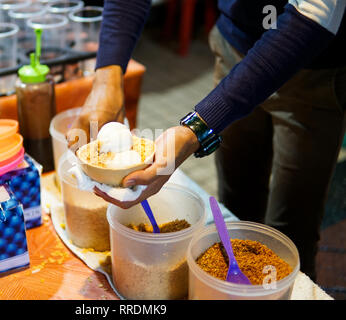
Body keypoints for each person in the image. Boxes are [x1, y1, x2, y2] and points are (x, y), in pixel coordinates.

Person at [67, 0, 346, 281]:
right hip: (236, 46)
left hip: (312, 65)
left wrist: (196, 130)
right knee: (237, 207)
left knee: (291, 232)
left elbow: (313, 14)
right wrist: (107, 78)